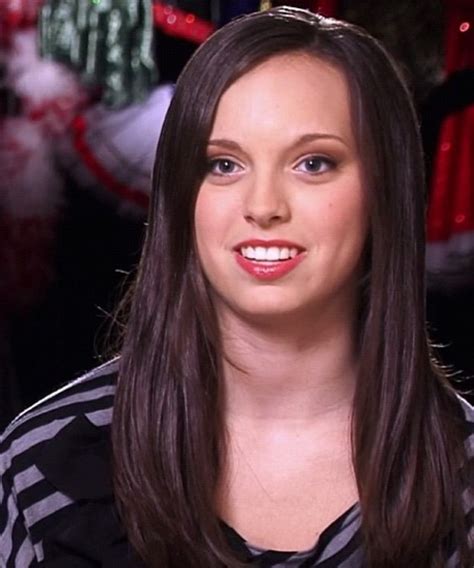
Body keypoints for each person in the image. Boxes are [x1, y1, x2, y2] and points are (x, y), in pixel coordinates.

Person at [1, 6, 473, 567]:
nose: (264, 207)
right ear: (181, 192)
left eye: (314, 163)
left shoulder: (464, 476)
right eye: (223, 165)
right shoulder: (43, 463)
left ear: (385, 190)